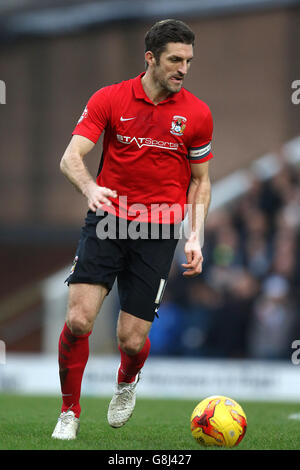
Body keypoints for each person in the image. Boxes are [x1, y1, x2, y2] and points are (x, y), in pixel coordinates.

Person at [51, 18, 213, 440]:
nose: (183, 68)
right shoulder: (110, 98)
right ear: (151, 59)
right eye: (175, 59)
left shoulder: (196, 114)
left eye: (188, 60)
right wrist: (90, 188)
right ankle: (69, 411)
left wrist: (195, 235)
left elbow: (200, 180)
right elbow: (71, 156)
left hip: (159, 232)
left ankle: (127, 383)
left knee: (131, 340)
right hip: (108, 220)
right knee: (80, 319)